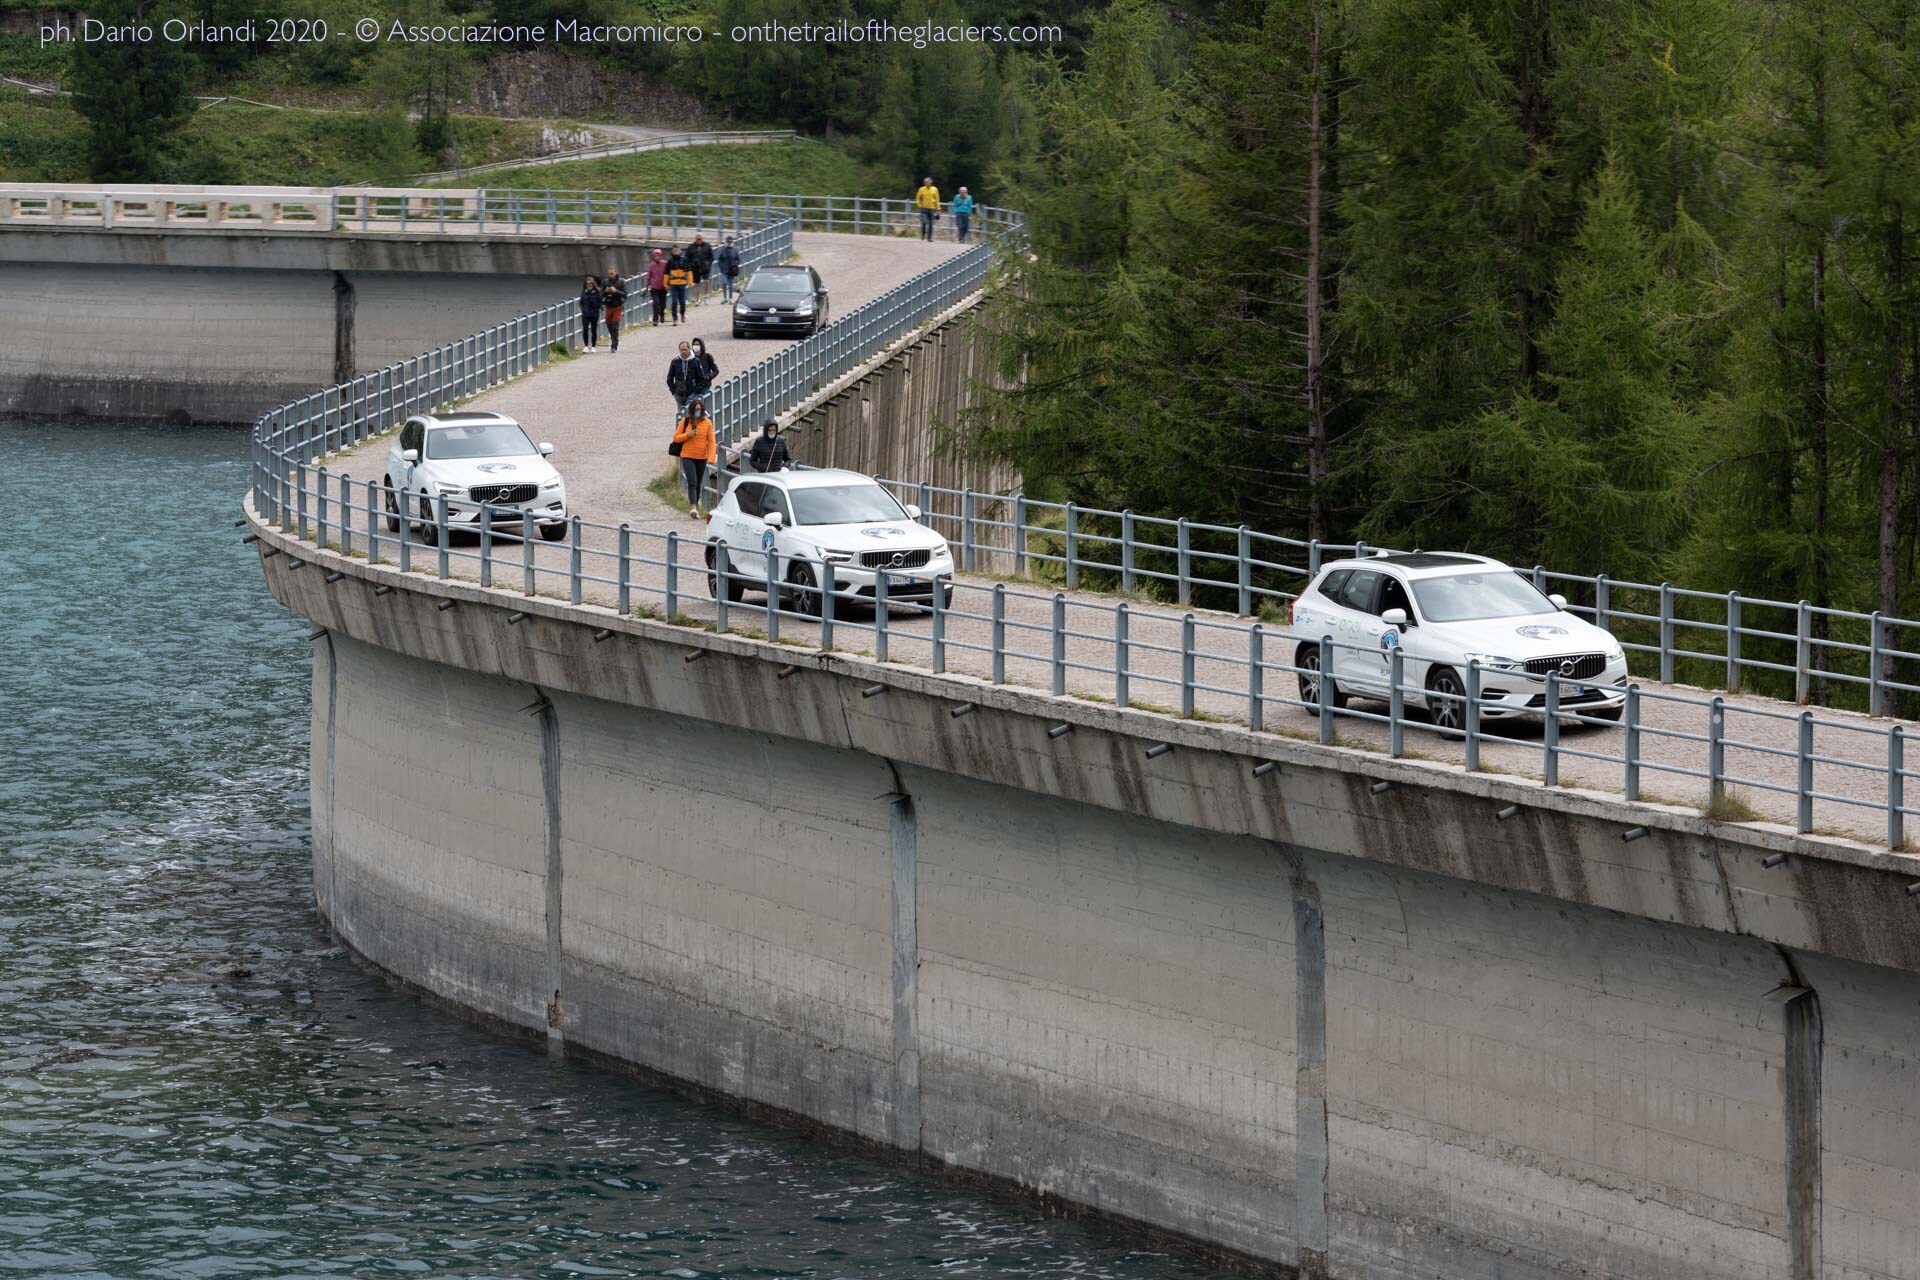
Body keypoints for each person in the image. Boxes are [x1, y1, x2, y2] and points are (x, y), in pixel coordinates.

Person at [672, 397, 717, 519]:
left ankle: (695, 506)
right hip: (687, 456)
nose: (698, 411)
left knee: (698, 483)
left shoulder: (707, 423)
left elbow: (711, 442)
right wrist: (688, 435)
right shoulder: (685, 421)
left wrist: (711, 457)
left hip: (701, 457)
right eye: (696, 409)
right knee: (692, 482)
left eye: (700, 409)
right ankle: (693, 507)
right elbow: (676, 438)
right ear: (692, 410)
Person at [667, 340, 704, 422]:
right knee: (681, 414)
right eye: (681, 350)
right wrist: (674, 391)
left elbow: (701, 378)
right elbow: (669, 378)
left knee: (690, 413)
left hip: (691, 393)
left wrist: (696, 391)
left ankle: (693, 431)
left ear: (689, 349)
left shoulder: (695, 361)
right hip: (679, 393)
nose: (683, 352)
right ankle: (681, 432)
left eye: (685, 349)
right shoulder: (675, 362)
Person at [601, 268, 626, 353]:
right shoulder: (605, 282)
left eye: (612, 273)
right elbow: (600, 295)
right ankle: (614, 338)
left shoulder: (621, 282)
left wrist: (616, 291)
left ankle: (614, 345)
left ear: (615, 273)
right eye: (609, 274)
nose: (611, 275)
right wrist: (605, 291)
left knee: (615, 324)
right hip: (609, 306)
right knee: (609, 324)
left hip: (618, 306)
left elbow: (625, 294)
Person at [665, 247, 693, 324]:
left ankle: (682, 314)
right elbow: (666, 273)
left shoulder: (685, 260)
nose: (676, 252)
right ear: (672, 252)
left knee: (682, 302)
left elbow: (689, 271)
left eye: (677, 250)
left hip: (682, 283)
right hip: (673, 284)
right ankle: (675, 318)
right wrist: (665, 284)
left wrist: (690, 282)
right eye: (674, 251)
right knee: (674, 302)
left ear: (680, 251)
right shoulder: (670, 261)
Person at [688, 336, 718, 404]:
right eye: (694, 345)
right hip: (694, 386)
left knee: (703, 403)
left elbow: (715, 370)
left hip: (705, 385)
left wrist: (709, 376)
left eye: (697, 344)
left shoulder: (707, 356)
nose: (696, 346)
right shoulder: (690, 358)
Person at [688, 234, 714, 305]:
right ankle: (698, 299)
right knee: (697, 284)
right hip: (695, 267)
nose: (699, 240)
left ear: (702, 239)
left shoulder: (707, 246)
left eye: (700, 239)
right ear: (695, 239)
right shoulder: (691, 247)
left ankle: (705, 296)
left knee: (706, 281)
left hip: (704, 267)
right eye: (697, 239)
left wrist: (708, 264)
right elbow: (688, 257)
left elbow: (711, 256)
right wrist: (691, 265)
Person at [578, 275, 602, 349]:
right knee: (585, 329)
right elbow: (581, 302)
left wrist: (598, 307)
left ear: (593, 284)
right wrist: (583, 309)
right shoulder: (583, 292)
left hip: (594, 314)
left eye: (590, 283)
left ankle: (593, 346)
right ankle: (586, 346)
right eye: (587, 283)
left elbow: (600, 302)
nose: (589, 285)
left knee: (593, 330)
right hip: (585, 314)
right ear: (585, 284)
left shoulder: (597, 292)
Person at [715, 235, 742, 302]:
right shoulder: (722, 249)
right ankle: (724, 297)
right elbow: (719, 259)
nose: (729, 243)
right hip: (724, 270)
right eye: (728, 242)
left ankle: (730, 298)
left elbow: (738, 259)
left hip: (732, 270)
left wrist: (735, 264)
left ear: (732, 242)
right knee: (724, 282)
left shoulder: (735, 250)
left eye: (730, 242)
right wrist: (721, 266)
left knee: (731, 285)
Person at [645, 249, 668, 326]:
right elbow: (649, 276)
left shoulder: (665, 264)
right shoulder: (651, 265)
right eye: (655, 256)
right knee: (656, 303)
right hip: (654, 288)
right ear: (653, 257)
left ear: (660, 256)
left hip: (663, 287)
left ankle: (662, 314)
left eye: (658, 256)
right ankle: (655, 320)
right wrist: (647, 286)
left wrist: (668, 284)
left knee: (663, 304)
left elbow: (668, 274)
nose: (657, 257)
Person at [914, 177, 941, 242]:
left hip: (932, 208)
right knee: (924, 222)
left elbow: (937, 200)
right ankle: (923, 234)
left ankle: (929, 238)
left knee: (931, 224)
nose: (926, 183)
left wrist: (938, 209)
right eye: (925, 182)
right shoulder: (921, 189)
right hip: (924, 209)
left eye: (927, 182)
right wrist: (920, 205)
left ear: (931, 182)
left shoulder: (935, 189)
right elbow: (917, 198)